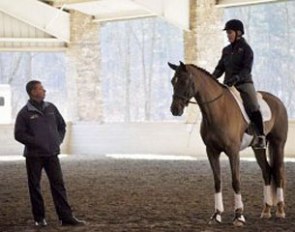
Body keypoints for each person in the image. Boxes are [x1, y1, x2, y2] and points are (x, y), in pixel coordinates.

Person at [14, 80, 86, 227]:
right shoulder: (24, 113)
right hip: (34, 156)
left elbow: (62, 126)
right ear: (33, 92)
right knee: (35, 186)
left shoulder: (51, 108)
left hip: (51, 154)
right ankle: (39, 219)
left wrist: (57, 141)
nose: (44, 91)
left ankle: (66, 217)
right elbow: (19, 134)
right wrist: (36, 142)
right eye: (41, 89)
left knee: (59, 185)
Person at [212, 19, 266, 149]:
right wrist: (212, 78)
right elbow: (220, 68)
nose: (228, 35)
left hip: (243, 84)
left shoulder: (247, 49)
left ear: (239, 33)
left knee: (253, 105)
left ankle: (260, 137)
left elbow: (247, 69)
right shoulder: (226, 50)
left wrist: (236, 78)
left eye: (230, 32)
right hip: (228, 85)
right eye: (227, 33)